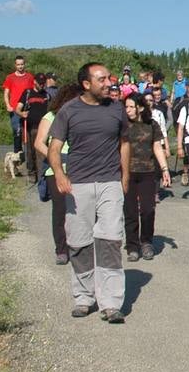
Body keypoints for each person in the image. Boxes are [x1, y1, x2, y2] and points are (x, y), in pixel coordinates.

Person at [48, 62, 131, 323]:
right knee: (80, 242)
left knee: (110, 240)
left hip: (109, 182)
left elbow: (124, 144)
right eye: (102, 80)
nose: (109, 83)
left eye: (109, 79)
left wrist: (124, 176)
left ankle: (111, 303)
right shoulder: (68, 111)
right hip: (78, 185)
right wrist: (60, 174)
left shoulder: (117, 109)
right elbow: (54, 147)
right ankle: (84, 297)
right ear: (87, 84)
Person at [122, 96, 170, 262]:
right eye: (125, 106)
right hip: (127, 172)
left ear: (140, 108)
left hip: (148, 172)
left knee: (148, 209)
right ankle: (132, 245)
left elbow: (157, 147)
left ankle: (147, 242)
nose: (127, 109)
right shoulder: (122, 124)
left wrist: (165, 169)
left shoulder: (152, 124)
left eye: (130, 106)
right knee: (130, 210)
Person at [34, 83, 78, 266]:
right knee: (60, 210)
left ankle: (78, 246)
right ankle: (61, 249)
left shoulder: (80, 117)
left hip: (79, 169)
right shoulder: (50, 117)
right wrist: (56, 158)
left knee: (79, 211)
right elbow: (39, 143)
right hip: (56, 169)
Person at [16, 73, 51, 180]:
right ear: (34, 82)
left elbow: (51, 110)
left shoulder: (47, 95)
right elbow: (17, 108)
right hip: (28, 127)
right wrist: (22, 114)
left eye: (43, 83)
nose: (41, 85)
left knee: (40, 152)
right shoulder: (27, 93)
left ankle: (41, 176)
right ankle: (32, 173)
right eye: (40, 83)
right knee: (30, 151)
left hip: (42, 128)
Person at [2, 55, 36, 161]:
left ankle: (31, 157)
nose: (20, 66)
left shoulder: (30, 77)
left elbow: (34, 91)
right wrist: (8, 105)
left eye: (22, 64)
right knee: (17, 132)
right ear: (15, 65)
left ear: (24, 64)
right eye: (18, 64)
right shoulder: (10, 77)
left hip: (27, 109)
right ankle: (18, 157)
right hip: (14, 109)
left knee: (30, 133)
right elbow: (6, 92)